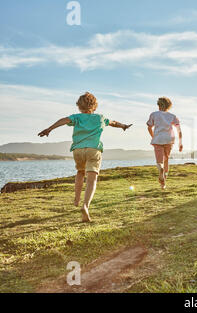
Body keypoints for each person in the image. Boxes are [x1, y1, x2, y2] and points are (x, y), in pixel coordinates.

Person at [38, 92, 132, 222]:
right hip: (93, 150)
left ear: (79, 106)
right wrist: (124, 126)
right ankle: (85, 206)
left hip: (78, 150)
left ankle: (76, 199)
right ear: (95, 106)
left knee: (80, 172)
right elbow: (114, 122)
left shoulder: (76, 117)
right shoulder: (100, 118)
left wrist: (49, 129)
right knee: (92, 179)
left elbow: (63, 120)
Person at [147, 97, 183, 189]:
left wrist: (153, 136)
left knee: (160, 161)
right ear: (169, 106)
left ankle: (161, 172)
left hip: (158, 139)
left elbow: (149, 127)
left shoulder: (154, 114)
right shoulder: (172, 116)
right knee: (166, 159)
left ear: (159, 105)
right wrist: (180, 143)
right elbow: (179, 130)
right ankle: (164, 182)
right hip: (169, 139)